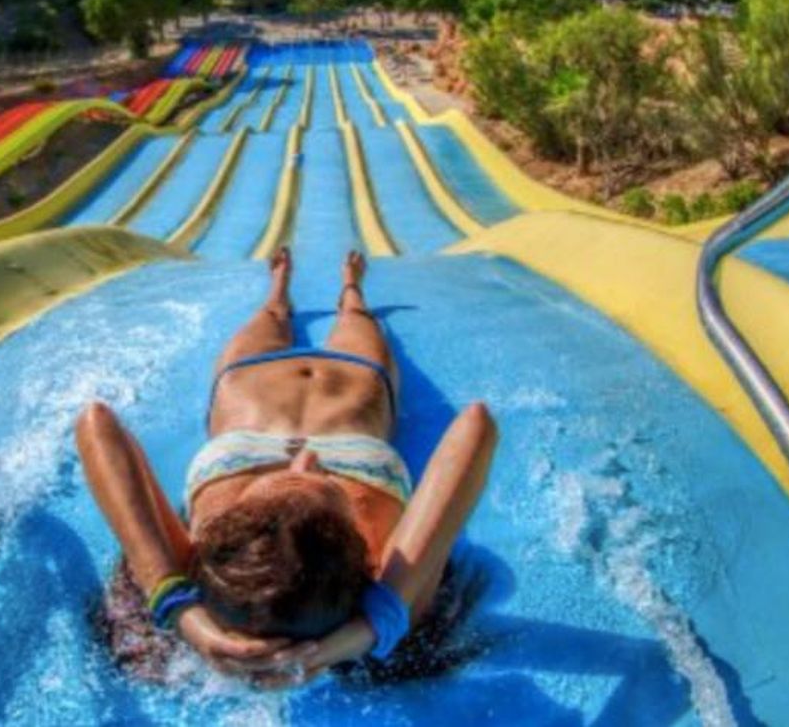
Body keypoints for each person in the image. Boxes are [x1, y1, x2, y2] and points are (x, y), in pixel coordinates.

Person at [76, 248, 497, 685]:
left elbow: (96, 423)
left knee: (272, 311)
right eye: (327, 483)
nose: (306, 456)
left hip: (248, 374)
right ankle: (351, 285)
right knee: (355, 312)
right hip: (356, 373)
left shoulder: (209, 563)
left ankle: (280, 283)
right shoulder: (384, 577)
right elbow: (476, 425)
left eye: (276, 481)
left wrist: (176, 606)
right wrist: (375, 625)